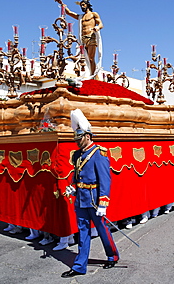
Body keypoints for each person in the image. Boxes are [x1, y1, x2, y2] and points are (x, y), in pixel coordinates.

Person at [61, 109, 119, 278]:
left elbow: (105, 180)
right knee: (83, 232)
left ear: (87, 136)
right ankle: (79, 266)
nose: (77, 142)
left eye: (79, 139)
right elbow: (77, 173)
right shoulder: (78, 155)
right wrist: (73, 186)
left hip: (94, 200)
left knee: (102, 230)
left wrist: (103, 203)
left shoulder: (99, 153)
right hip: (81, 199)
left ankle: (112, 255)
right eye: (76, 139)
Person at [55, 0, 103, 76]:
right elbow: (69, 12)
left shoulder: (94, 14)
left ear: (87, 5)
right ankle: (89, 74)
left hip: (91, 37)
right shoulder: (80, 17)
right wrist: (61, 3)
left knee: (91, 59)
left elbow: (101, 24)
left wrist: (97, 28)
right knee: (84, 59)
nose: (82, 7)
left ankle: (94, 75)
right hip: (83, 39)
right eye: (81, 5)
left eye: (83, 5)